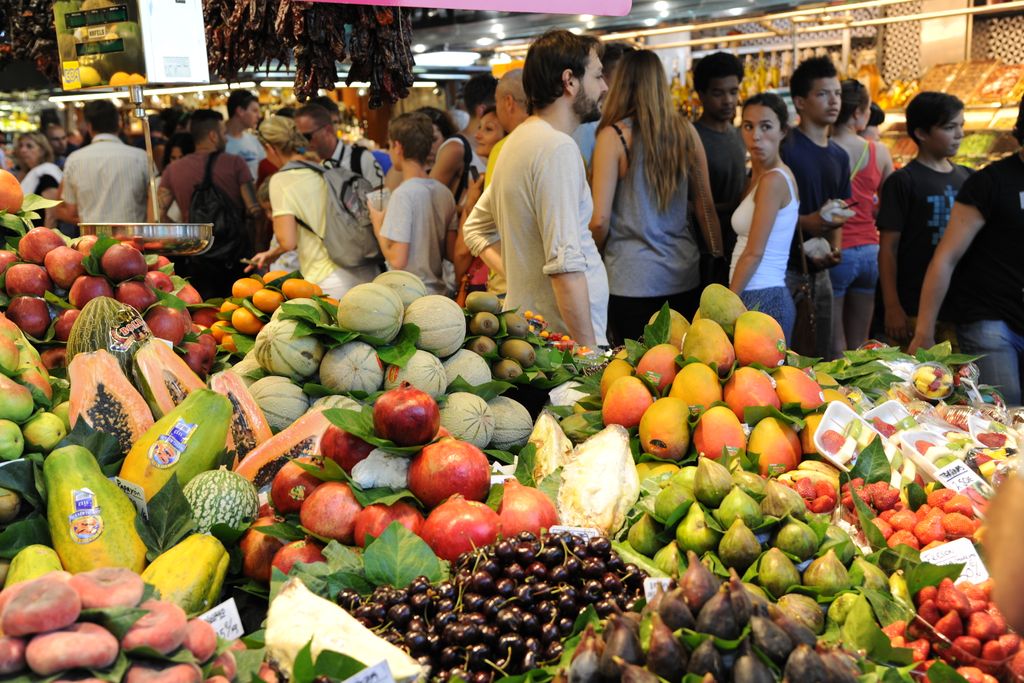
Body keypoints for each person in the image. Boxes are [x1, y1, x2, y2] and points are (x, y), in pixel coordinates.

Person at [464, 29, 610, 348]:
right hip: (565, 345)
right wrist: (589, 354)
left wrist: (522, 276)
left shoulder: (516, 141)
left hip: (535, 336)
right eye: (598, 76)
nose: (604, 87)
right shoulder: (556, 148)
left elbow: (475, 228)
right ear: (569, 81)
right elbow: (565, 266)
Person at [589, 50, 717, 343]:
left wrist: (592, 260)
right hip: (684, 274)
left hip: (629, 279)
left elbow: (599, 220)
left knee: (637, 374)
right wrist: (716, 258)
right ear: (661, 83)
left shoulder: (614, 137)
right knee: (682, 370)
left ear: (621, 83)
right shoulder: (686, 132)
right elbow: (705, 207)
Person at [908, 97, 1024, 404]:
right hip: (990, 318)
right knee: (1005, 414)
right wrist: (924, 330)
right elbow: (946, 257)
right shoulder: (990, 183)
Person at [876, 92, 970, 348]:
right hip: (912, 305)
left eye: (961, 125)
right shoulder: (903, 182)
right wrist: (892, 305)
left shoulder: (969, 178)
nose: (959, 134)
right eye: (950, 127)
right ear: (921, 133)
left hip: (960, 305)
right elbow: (888, 248)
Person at [248, 116, 379, 296]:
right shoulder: (324, 167)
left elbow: (288, 242)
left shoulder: (281, 180)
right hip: (367, 271)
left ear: (270, 148)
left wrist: (272, 253)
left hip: (330, 281)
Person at [781, 56, 852, 359]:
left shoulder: (839, 155)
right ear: (799, 102)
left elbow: (839, 211)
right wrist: (805, 222)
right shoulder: (786, 148)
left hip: (820, 272)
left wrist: (834, 250)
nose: (833, 101)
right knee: (783, 357)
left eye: (837, 93)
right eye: (823, 94)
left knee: (819, 356)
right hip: (784, 270)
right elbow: (765, 210)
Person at [158, 110, 260, 298]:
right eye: (223, 133)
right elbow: (254, 211)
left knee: (203, 314)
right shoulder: (235, 163)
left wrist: (184, 234)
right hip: (235, 259)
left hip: (198, 258)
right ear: (213, 136)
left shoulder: (173, 169)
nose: (226, 139)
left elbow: (158, 216)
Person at [828, 81, 894, 354]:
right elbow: (889, 206)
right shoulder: (879, 152)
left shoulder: (824, 150)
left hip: (836, 252)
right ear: (858, 113)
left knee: (834, 345)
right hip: (870, 252)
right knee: (860, 345)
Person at [729, 94, 801, 341]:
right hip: (757, 295)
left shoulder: (773, 180)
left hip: (761, 298)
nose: (756, 136)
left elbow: (754, 252)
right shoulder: (762, 177)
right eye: (748, 126)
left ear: (783, 131)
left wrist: (728, 303)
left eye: (766, 126)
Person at [368, 113, 458, 296]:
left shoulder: (403, 194)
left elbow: (397, 260)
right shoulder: (444, 193)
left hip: (410, 296)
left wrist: (377, 225)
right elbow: (451, 253)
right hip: (440, 294)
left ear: (398, 147)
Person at [694, 51, 747, 283]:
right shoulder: (693, 138)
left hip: (739, 246)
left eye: (733, 92)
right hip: (707, 254)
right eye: (718, 93)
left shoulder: (739, 134)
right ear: (701, 95)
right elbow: (691, 204)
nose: (728, 100)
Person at [56, 100, 149, 226]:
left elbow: (70, 210)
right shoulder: (141, 157)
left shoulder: (74, 159)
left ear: (89, 126)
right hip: (134, 241)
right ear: (119, 123)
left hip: (92, 241)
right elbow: (155, 205)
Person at [430, 74, 496, 203]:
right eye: (496, 105)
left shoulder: (491, 145)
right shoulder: (455, 148)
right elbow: (430, 200)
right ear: (482, 110)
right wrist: (468, 207)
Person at [572, 43, 633, 168]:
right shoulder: (588, 128)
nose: (630, 87)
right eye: (623, 80)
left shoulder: (622, 123)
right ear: (603, 77)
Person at [294, 103, 381, 184]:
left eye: (307, 136)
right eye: (298, 137)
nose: (303, 142)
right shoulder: (302, 165)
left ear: (328, 130)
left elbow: (379, 197)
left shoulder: (361, 159)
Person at [486, 69, 529, 188]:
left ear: (508, 102)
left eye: (496, 101)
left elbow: (493, 205)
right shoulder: (564, 141)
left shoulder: (504, 149)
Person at [14, 133, 61, 228]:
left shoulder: (47, 175)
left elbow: (52, 216)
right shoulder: (24, 174)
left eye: (29, 146)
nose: (23, 150)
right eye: (21, 146)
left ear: (42, 150)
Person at [225, 89, 265, 179]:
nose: (259, 116)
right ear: (240, 111)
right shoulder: (219, 144)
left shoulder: (254, 141)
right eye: (255, 111)